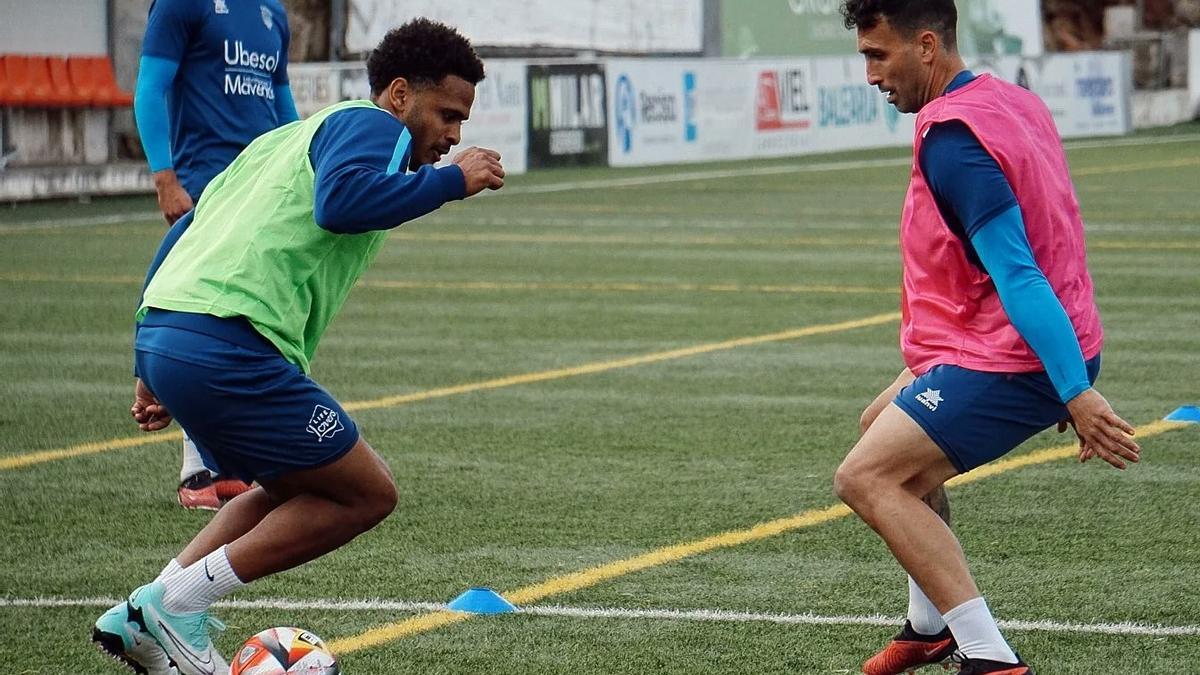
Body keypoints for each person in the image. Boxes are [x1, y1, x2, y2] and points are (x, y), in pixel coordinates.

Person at [93, 19, 505, 674]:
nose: (453, 134)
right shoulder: (376, 128)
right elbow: (340, 203)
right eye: (447, 114)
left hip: (174, 329)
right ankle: (173, 603)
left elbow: (187, 233)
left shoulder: (280, 141)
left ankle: (147, 608)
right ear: (399, 95)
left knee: (292, 486)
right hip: (229, 339)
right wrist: (454, 180)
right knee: (367, 492)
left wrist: (148, 358)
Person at [833, 2, 1141, 674]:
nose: (869, 75)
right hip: (1019, 337)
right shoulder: (1012, 101)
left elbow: (1018, 270)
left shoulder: (954, 141)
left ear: (925, 46)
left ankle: (988, 655)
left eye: (876, 55)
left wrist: (1072, 388)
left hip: (1010, 351)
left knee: (865, 476)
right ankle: (928, 624)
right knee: (876, 425)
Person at [135, 0, 300, 510]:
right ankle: (197, 470)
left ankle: (235, 462)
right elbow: (150, 88)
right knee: (191, 313)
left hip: (263, 194)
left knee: (252, 319)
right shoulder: (184, 3)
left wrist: (303, 173)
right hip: (206, 186)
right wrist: (165, 177)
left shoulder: (275, 13)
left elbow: (284, 108)